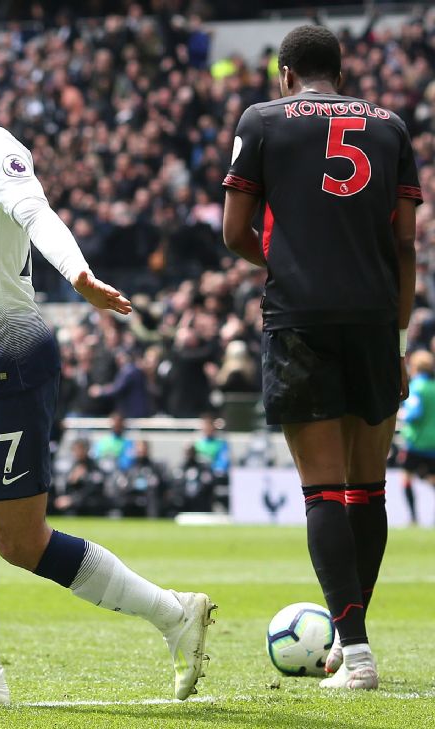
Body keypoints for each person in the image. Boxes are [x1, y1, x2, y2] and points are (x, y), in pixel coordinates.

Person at [0, 32, 214, 704]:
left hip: (9, 359)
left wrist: (77, 273)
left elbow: (36, 214)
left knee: (19, 539)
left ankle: (173, 612)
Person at [222, 24, 421, 691]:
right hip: (373, 318)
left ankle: (356, 650)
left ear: (285, 74)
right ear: (340, 71)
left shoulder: (263, 120)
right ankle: (351, 640)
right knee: (368, 487)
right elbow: (406, 249)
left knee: (323, 488)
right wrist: (397, 339)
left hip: (301, 318)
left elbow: (234, 231)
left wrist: (287, 266)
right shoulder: (390, 126)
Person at [397, 349, 435, 525]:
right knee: (431, 477)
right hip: (432, 443)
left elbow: (414, 413)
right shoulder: (433, 387)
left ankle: (413, 518)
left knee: (406, 478)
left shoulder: (417, 387)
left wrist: (401, 414)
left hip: (415, 442)